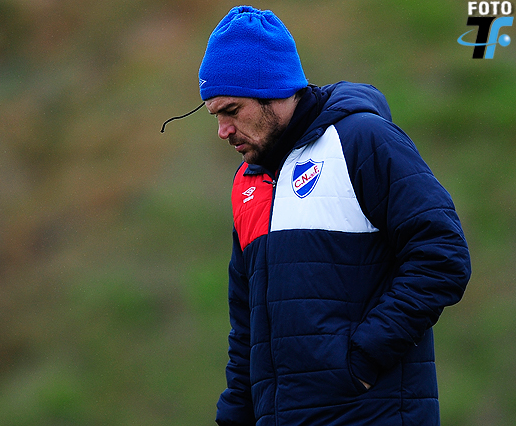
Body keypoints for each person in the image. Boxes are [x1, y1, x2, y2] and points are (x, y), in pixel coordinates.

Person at [191, 5, 472, 426]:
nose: (223, 131)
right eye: (215, 116)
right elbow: (246, 321)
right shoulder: (247, 183)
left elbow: (443, 255)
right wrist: (236, 412)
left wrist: (362, 359)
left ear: (274, 90)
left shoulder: (362, 141)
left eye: (231, 111)